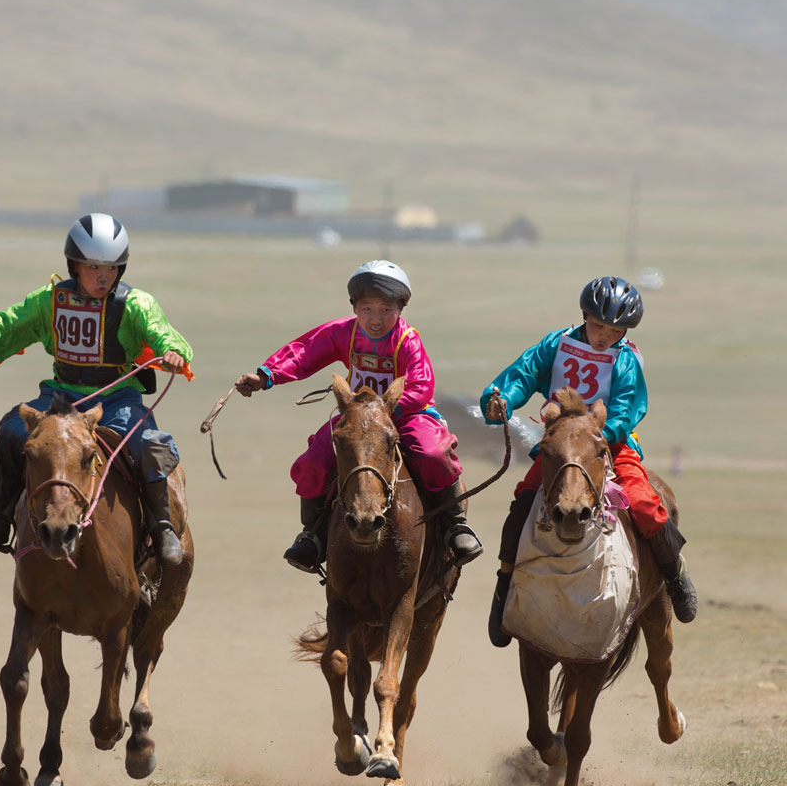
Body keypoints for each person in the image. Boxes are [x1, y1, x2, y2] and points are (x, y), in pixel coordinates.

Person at [0, 213, 193, 566]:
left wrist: (175, 353)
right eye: (93, 266)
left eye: (111, 267)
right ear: (74, 265)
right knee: (11, 431)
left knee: (149, 444)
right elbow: (9, 326)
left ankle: (162, 526)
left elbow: (163, 332)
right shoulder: (49, 300)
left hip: (117, 399)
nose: (103, 275)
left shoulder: (136, 305)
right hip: (60, 398)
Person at [480, 275, 697, 648]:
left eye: (615, 330)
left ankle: (673, 574)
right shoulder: (556, 343)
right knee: (524, 502)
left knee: (644, 502)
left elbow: (627, 407)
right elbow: (522, 374)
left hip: (608, 444)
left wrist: (600, 431)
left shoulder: (626, 357)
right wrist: (501, 399)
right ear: (584, 315)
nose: (603, 336)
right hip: (562, 446)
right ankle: (504, 587)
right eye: (598, 326)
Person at [235, 259, 483, 573]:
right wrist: (266, 375)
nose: (375, 319)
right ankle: (312, 535)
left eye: (385, 309)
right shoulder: (344, 333)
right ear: (355, 307)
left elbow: (421, 385)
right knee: (314, 459)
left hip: (407, 414)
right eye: (367, 309)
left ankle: (455, 526)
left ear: (400, 309)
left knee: (432, 453)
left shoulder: (408, 340)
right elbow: (306, 351)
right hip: (358, 417)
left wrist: (388, 409)